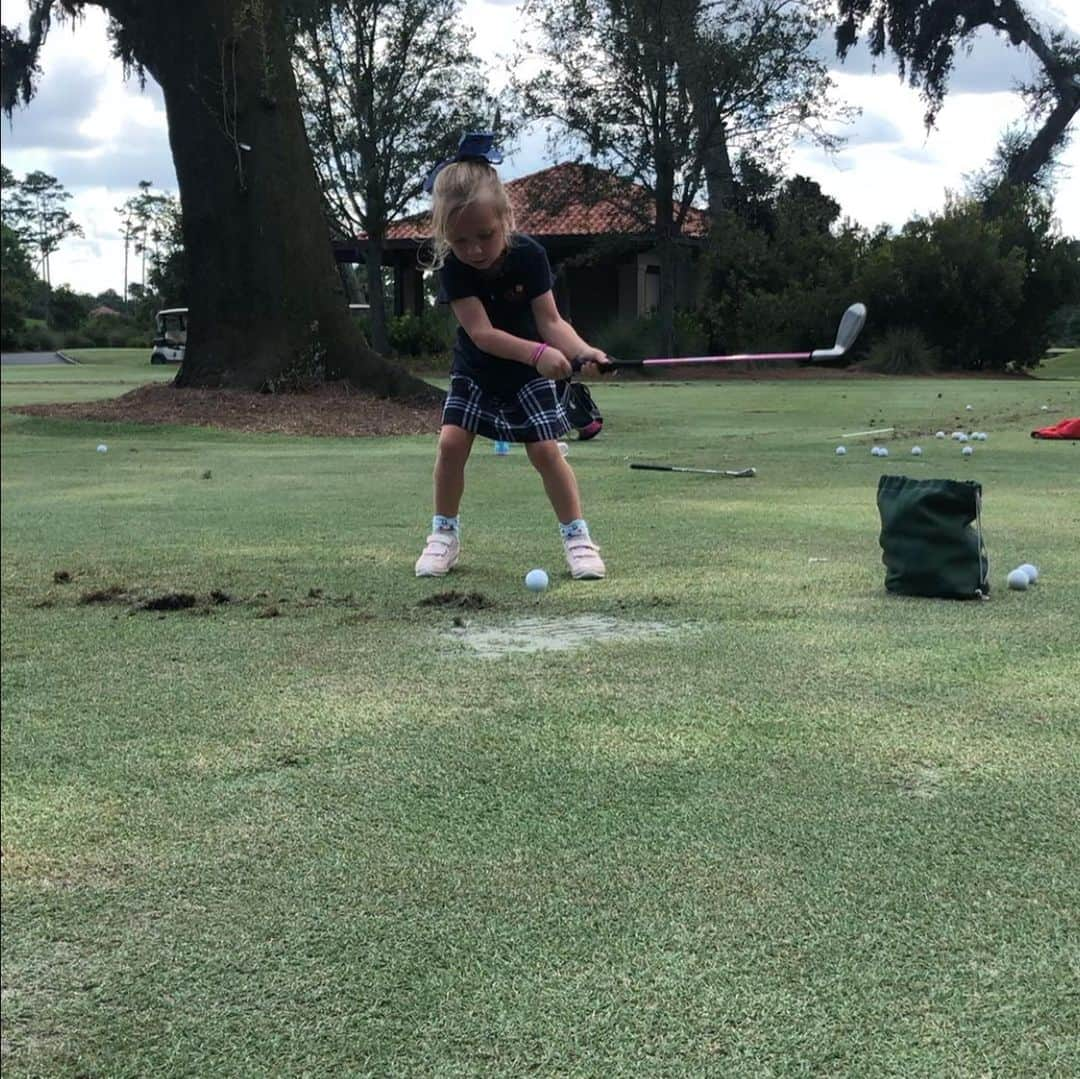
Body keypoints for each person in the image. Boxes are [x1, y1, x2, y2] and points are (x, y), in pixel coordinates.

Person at [414, 134, 610, 581]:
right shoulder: (455, 268)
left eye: (485, 235)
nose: (475, 250)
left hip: (528, 374)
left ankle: (578, 538)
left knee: (544, 451)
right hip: (478, 370)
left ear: (505, 217)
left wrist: (584, 352)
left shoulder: (530, 256)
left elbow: (552, 321)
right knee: (450, 444)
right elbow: (481, 334)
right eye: (460, 240)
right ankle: (443, 534)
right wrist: (540, 353)